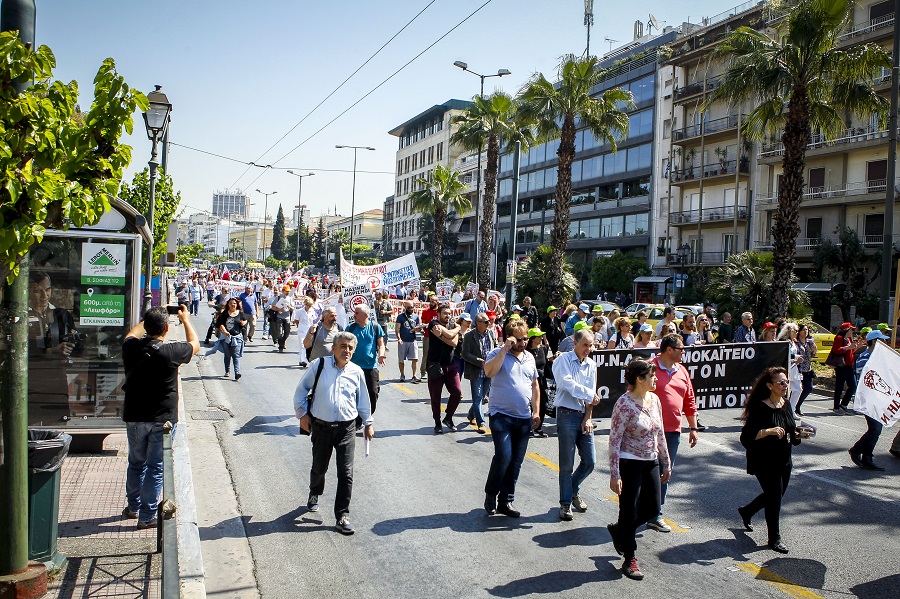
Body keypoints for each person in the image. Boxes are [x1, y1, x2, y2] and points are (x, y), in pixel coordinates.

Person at [122, 305, 199, 528]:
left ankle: (133, 508)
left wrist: (149, 318)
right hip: (162, 418)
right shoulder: (171, 352)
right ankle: (147, 517)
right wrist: (185, 320)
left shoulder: (131, 347)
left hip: (135, 415)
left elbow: (131, 335)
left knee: (136, 463)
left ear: (146, 327)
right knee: (155, 466)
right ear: (167, 328)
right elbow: (195, 345)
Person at [294, 332, 375, 535]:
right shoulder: (319, 366)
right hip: (321, 428)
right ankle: (315, 492)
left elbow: (363, 400)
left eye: (350, 347)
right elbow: (301, 390)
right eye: (342, 346)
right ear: (334, 348)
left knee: (346, 473)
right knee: (319, 468)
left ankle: (342, 516)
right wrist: (303, 414)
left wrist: (368, 423)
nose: (346, 350)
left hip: (347, 429)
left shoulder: (356, 372)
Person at [607, 358, 671, 581]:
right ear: (639, 379)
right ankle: (629, 558)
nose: (656, 379)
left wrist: (666, 461)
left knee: (652, 508)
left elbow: (660, 432)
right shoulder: (624, 404)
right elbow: (614, 440)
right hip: (629, 461)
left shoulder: (654, 399)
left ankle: (621, 530)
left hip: (651, 460)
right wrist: (615, 474)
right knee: (628, 508)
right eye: (652, 376)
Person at [738, 367, 811, 554]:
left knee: (775, 495)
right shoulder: (760, 407)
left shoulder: (786, 405)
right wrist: (768, 431)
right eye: (781, 382)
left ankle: (747, 511)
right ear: (770, 386)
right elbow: (746, 437)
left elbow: (790, 431)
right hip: (764, 460)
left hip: (784, 459)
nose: (785, 385)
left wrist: (799, 435)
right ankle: (774, 538)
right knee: (774, 498)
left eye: (786, 381)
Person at [482, 319, 540, 518]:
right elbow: (489, 371)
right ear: (510, 338)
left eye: (525, 338)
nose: (523, 342)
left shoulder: (530, 358)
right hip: (500, 415)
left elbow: (534, 386)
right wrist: (505, 349)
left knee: (516, 461)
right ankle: (491, 494)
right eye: (519, 339)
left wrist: (536, 411)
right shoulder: (497, 354)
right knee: (504, 456)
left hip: (523, 417)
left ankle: (506, 501)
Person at [647, 334, 699, 532]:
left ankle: (656, 514)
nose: (684, 352)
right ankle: (639, 508)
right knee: (646, 472)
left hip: (672, 432)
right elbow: (634, 392)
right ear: (669, 350)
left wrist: (693, 428)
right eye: (681, 349)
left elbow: (690, 401)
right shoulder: (650, 367)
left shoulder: (682, 371)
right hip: (649, 432)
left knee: (664, 473)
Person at [551, 328, 601, 522]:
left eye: (591, 345)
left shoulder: (591, 365)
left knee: (590, 461)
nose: (588, 349)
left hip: (582, 415)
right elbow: (566, 384)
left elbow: (592, 391)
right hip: (566, 414)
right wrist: (589, 395)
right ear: (576, 344)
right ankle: (565, 503)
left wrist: (588, 417)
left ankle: (572, 489)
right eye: (585, 345)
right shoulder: (562, 360)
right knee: (567, 463)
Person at [849, 329, 889, 471]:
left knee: (876, 429)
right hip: (868, 399)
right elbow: (865, 379)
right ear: (874, 342)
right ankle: (856, 450)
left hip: (878, 399)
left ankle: (867, 458)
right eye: (881, 340)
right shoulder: (865, 357)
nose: (885, 343)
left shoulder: (880, 358)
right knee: (875, 429)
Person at [426, 303, 463, 434]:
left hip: (451, 365)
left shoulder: (452, 325)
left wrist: (447, 334)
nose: (448, 316)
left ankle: (448, 417)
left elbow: (454, 342)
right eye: (445, 313)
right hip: (435, 365)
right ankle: (437, 422)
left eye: (449, 313)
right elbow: (451, 339)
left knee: (457, 393)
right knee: (435, 397)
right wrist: (457, 330)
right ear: (439, 314)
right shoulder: (433, 324)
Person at [346, 305, 386, 424]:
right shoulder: (351, 328)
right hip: (353, 367)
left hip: (370, 367)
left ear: (366, 315)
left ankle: (366, 415)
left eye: (357, 313)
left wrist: (381, 355)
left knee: (372, 393)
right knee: (353, 393)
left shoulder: (375, 327)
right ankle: (356, 420)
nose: (354, 315)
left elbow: (381, 344)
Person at [463, 312, 497, 434]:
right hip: (476, 371)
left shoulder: (491, 333)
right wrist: (480, 361)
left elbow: (496, 348)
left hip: (489, 370)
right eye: (486, 322)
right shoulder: (469, 336)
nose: (489, 323)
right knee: (477, 397)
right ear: (478, 323)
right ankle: (481, 423)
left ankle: (471, 414)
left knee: (482, 398)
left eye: (489, 321)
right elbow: (465, 354)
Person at [830, 322, 865, 414]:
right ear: (846, 330)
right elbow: (836, 350)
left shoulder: (849, 339)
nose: (852, 331)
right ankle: (836, 407)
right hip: (842, 365)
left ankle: (844, 404)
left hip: (849, 365)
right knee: (839, 386)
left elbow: (850, 351)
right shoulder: (839, 338)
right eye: (851, 329)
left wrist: (856, 347)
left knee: (853, 386)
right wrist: (848, 347)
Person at [525, 327, 551, 437]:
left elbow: (545, 363)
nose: (541, 337)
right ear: (533, 338)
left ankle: (538, 427)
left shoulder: (543, 349)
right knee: (529, 404)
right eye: (539, 336)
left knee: (544, 404)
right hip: (528, 380)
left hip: (542, 379)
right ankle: (528, 427)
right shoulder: (526, 351)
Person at [216, 298, 248, 380]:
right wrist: (225, 331)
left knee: (235, 355)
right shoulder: (224, 314)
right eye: (231, 303)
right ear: (228, 305)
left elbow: (245, 320)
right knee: (227, 355)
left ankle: (237, 373)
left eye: (234, 303)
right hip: (227, 338)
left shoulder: (240, 313)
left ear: (237, 304)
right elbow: (220, 324)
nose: (233, 305)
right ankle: (227, 370)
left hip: (237, 337)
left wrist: (243, 322)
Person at [395, 301, 423, 383]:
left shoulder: (416, 317)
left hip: (412, 340)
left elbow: (419, 328)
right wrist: (399, 338)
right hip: (403, 340)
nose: (411, 309)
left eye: (412, 307)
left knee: (415, 358)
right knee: (401, 359)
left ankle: (414, 375)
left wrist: (417, 329)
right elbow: (397, 329)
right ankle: (402, 375)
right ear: (405, 308)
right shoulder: (400, 317)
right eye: (409, 307)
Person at [793, 323, 817, 416]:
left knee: (808, 388)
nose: (806, 331)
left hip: (807, 369)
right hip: (799, 369)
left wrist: (814, 348)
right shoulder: (796, 342)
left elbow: (813, 354)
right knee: (797, 389)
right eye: (804, 330)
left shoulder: (808, 342)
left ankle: (798, 405)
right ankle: (794, 406)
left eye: (807, 330)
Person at [420, 295, 439, 379]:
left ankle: (436, 371)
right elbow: (423, 324)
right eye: (430, 301)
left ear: (437, 302)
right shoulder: (425, 311)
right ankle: (423, 372)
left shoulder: (439, 312)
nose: (431, 303)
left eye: (433, 301)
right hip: (428, 336)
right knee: (426, 354)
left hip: (439, 337)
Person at [270, 285, 294, 352]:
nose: (287, 293)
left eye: (288, 291)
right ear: (283, 291)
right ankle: (281, 347)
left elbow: (293, 309)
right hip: (279, 317)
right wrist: (278, 309)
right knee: (279, 333)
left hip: (287, 317)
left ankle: (283, 342)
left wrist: (289, 306)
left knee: (287, 332)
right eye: (286, 291)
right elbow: (272, 306)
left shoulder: (290, 298)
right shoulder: (278, 298)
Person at [293, 296, 315, 368]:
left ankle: (309, 359)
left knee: (309, 345)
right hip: (302, 330)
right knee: (302, 345)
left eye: (310, 305)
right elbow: (296, 320)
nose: (308, 307)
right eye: (307, 305)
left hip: (309, 331)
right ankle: (302, 360)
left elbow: (314, 320)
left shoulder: (312, 311)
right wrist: (299, 327)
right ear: (305, 304)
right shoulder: (300, 311)